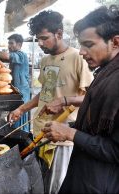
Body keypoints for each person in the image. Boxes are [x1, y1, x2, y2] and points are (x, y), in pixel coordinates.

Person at [9, 10, 93, 194]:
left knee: (56, 188)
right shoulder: (46, 60)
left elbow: (91, 97)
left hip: (61, 138)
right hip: (39, 132)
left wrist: (64, 100)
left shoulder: (79, 58)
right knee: (40, 184)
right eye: (37, 39)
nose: (40, 43)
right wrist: (22, 109)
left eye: (44, 38)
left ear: (59, 34)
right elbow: (45, 93)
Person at [40, 5, 119, 193]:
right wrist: (71, 127)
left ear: (115, 42)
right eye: (81, 44)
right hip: (83, 175)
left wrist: (71, 134)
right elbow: (97, 127)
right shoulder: (105, 72)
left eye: (89, 45)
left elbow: (115, 150)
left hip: (101, 184)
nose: (82, 51)